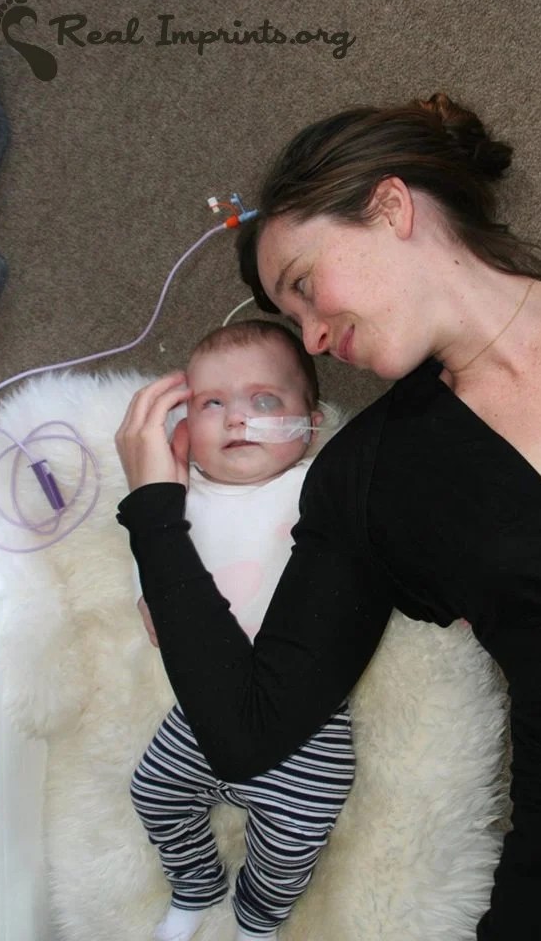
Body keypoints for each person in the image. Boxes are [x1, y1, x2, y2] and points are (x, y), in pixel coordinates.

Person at [115, 92, 541, 940]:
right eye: (292, 319)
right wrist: (154, 509)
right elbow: (245, 733)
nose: (312, 338)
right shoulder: (368, 480)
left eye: (304, 287)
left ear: (390, 208)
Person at [127, 320, 355, 941]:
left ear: (310, 425)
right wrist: (146, 596)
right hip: (201, 709)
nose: (236, 419)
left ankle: (258, 916)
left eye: (264, 400)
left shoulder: (317, 487)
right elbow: (150, 556)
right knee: (153, 790)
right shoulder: (174, 498)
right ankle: (195, 880)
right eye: (212, 404)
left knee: (296, 835)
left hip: (306, 723)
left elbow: (384, 536)